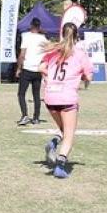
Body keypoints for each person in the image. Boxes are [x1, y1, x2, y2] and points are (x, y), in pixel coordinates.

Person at [42, 22, 93, 179]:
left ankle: (54, 142)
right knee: (69, 134)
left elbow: (41, 68)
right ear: (77, 36)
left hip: (50, 96)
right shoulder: (80, 54)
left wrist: (49, 77)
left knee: (64, 130)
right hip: (67, 97)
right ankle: (60, 166)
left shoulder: (53, 51)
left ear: (62, 34)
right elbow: (89, 77)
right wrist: (83, 78)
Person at [16, 18, 48, 125]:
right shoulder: (43, 39)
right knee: (36, 95)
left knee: (21, 94)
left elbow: (22, 54)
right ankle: (36, 117)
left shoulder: (26, 36)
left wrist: (19, 68)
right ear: (39, 27)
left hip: (27, 68)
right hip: (38, 70)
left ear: (31, 25)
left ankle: (25, 115)